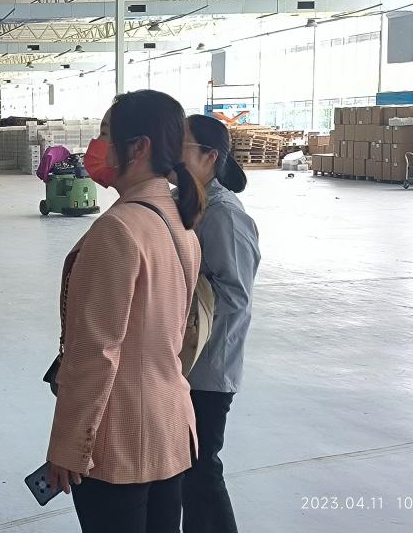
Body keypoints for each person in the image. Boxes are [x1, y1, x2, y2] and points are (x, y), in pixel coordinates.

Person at [46, 90, 204, 533]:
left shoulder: (117, 229)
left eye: (105, 135)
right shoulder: (178, 221)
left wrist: (69, 444)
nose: (97, 148)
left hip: (120, 439)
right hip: (169, 426)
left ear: (138, 147)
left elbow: (96, 353)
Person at [179, 115, 260, 533]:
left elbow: (234, 295)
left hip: (209, 367)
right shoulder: (190, 202)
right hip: (186, 362)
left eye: (181, 145)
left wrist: (177, 305)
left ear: (210, 156)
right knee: (187, 469)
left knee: (200, 468)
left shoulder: (223, 214)